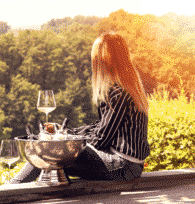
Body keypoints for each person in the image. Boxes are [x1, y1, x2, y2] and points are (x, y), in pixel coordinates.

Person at [10, 32, 150, 183]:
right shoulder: (128, 89)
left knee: (46, 152)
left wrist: (66, 140)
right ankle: (14, 187)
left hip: (122, 167)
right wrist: (66, 133)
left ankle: (10, 189)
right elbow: (102, 127)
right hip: (130, 166)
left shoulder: (117, 93)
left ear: (102, 62)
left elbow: (100, 140)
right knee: (52, 153)